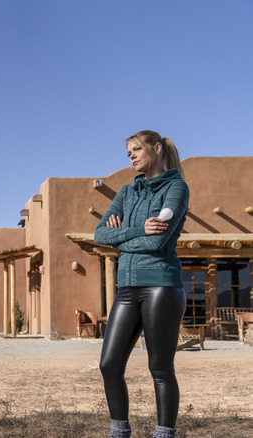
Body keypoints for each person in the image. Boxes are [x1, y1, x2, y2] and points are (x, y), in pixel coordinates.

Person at [95, 130, 189, 438]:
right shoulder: (125, 192)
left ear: (157, 149)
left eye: (137, 149)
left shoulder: (176, 188)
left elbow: (159, 239)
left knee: (160, 369)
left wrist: (121, 238)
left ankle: (164, 434)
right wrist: (136, 232)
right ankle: (120, 431)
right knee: (109, 365)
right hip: (127, 287)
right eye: (128, 152)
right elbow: (100, 234)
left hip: (161, 284)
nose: (132, 155)